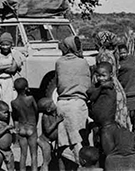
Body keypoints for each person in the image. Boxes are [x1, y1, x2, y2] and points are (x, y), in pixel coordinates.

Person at [56, 36, 91, 168]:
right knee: (79, 141)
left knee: (62, 143)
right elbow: (87, 84)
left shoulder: (59, 62)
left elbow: (58, 83)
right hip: (78, 105)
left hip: (62, 104)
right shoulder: (82, 63)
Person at [0, 32, 25, 111]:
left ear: (11, 45)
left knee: (11, 104)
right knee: (0, 103)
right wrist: (7, 66)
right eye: (3, 45)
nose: (5, 47)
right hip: (0, 81)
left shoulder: (14, 54)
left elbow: (13, 69)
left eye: (7, 45)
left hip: (10, 81)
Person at [11, 78, 38, 171]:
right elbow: (36, 111)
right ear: (26, 88)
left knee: (23, 154)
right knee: (33, 154)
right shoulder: (30, 99)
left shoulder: (14, 102)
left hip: (21, 128)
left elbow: (15, 116)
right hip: (31, 126)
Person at [37, 97, 64, 171]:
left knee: (50, 158)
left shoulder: (54, 113)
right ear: (48, 109)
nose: (54, 103)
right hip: (44, 141)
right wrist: (57, 121)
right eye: (52, 103)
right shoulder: (45, 117)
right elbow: (48, 130)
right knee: (46, 161)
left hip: (49, 141)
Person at [118, 43, 135, 131]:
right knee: (124, 112)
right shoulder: (117, 61)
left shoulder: (133, 59)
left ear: (128, 52)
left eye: (124, 53)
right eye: (121, 53)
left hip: (133, 88)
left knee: (132, 112)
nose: (123, 55)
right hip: (123, 88)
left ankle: (134, 129)